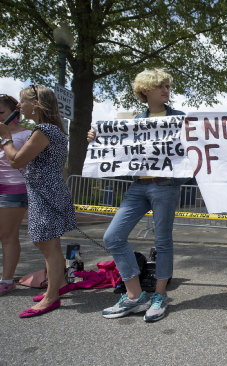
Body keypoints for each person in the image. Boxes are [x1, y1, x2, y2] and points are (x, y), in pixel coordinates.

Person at [88, 68, 190, 322]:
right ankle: (135, 295)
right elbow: (120, 150)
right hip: (138, 187)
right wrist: (97, 138)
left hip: (165, 186)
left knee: (163, 241)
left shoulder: (179, 118)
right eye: (161, 87)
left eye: (167, 86)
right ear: (146, 91)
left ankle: (159, 295)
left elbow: (192, 152)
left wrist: (178, 178)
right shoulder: (135, 121)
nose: (166, 91)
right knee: (113, 236)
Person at [0, 86, 77, 317]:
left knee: (46, 244)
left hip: (45, 191)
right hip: (48, 190)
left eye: (21, 101)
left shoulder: (43, 130)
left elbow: (16, 160)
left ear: (35, 103)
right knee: (49, 242)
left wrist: (6, 139)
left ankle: (51, 297)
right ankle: (59, 284)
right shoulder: (53, 129)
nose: (18, 106)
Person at [0, 95, 32, 295]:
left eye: (1, 113)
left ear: (14, 113)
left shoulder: (26, 134)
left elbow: (24, 162)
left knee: (7, 235)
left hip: (14, 188)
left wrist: (6, 138)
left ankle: (7, 279)